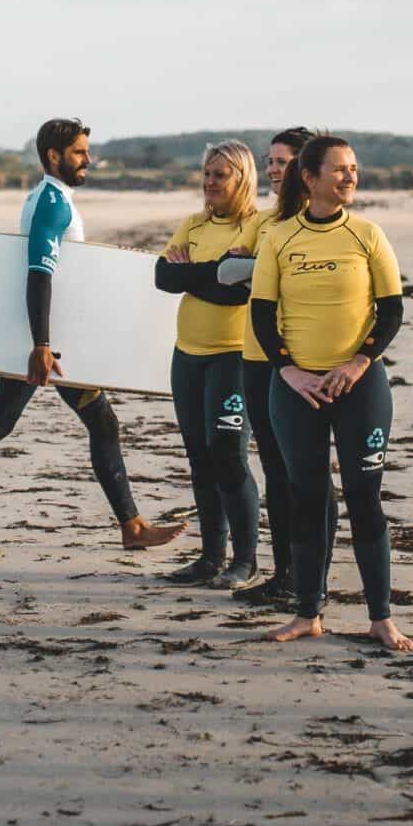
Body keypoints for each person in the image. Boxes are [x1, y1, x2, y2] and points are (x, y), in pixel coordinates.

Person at [0, 119, 185, 550]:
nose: (87, 160)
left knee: (1, 422)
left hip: (43, 337)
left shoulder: (49, 198)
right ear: (53, 156)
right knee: (100, 423)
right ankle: (131, 527)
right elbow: (39, 274)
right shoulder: (52, 203)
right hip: (48, 343)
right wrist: (41, 345)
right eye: (78, 152)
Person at [251, 135, 413, 653]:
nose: (350, 177)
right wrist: (289, 370)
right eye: (340, 169)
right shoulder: (280, 237)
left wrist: (358, 362)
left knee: (365, 498)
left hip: (359, 387)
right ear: (310, 176)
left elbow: (391, 310)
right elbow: (261, 314)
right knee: (308, 496)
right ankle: (308, 612)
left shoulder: (367, 235)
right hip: (297, 388)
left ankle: (381, 617)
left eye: (354, 169)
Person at [154, 141, 263, 588]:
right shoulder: (192, 224)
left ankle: (246, 559)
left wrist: (193, 274)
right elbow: (163, 277)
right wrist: (213, 270)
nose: (210, 182)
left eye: (220, 175)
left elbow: (236, 291)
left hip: (232, 356)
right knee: (199, 457)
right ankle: (210, 557)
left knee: (229, 458)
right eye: (207, 173)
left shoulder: (259, 226)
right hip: (188, 355)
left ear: (243, 179)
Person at [230, 127, 319, 605]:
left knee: (303, 474)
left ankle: (310, 578)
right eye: (269, 162)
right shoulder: (264, 222)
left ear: (306, 169)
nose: (272, 170)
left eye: (282, 162)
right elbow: (226, 273)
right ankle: (285, 573)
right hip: (256, 357)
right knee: (274, 470)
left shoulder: (318, 222)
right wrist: (260, 264)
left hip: (300, 360)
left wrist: (259, 265)